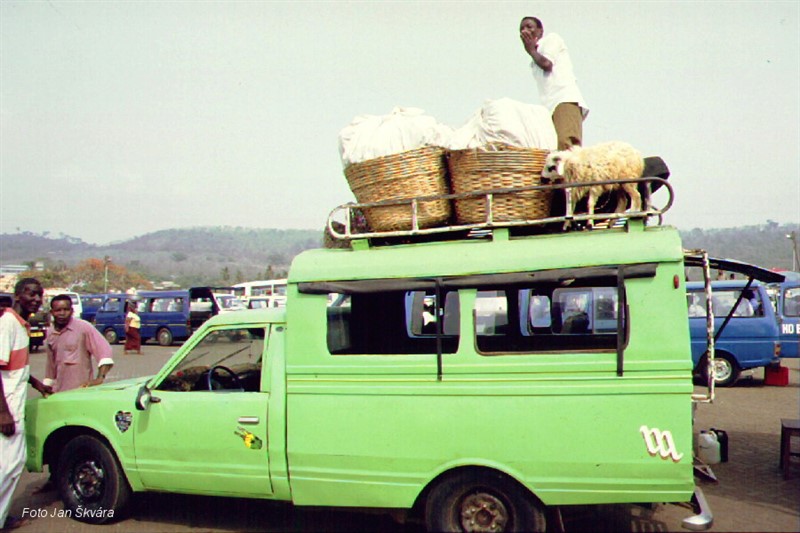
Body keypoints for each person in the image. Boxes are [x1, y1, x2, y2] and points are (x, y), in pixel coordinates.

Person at [0, 278, 52, 530]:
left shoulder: (22, 324)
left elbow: (13, 367)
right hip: (6, 408)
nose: (36, 299)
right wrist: (3, 414)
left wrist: (36, 383)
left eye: (39, 295)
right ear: (18, 295)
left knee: (12, 465)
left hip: (14, 403)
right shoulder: (7, 324)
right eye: (31, 294)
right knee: (8, 467)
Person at [519, 16, 589, 150]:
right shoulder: (534, 59)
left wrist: (531, 50)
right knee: (554, 149)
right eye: (521, 28)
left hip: (564, 100)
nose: (525, 30)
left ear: (540, 31)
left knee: (566, 145)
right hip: (549, 107)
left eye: (529, 27)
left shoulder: (551, 39)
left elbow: (547, 64)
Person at [44, 294, 114, 392]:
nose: (62, 313)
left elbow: (105, 352)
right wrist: (47, 386)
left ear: (72, 311)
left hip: (81, 391)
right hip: (59, 391)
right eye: (58, 310)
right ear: (52, 312)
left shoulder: (84, 328)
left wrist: (99, 378)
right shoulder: (50, 332)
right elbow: (51, 366)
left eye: (66, 309)